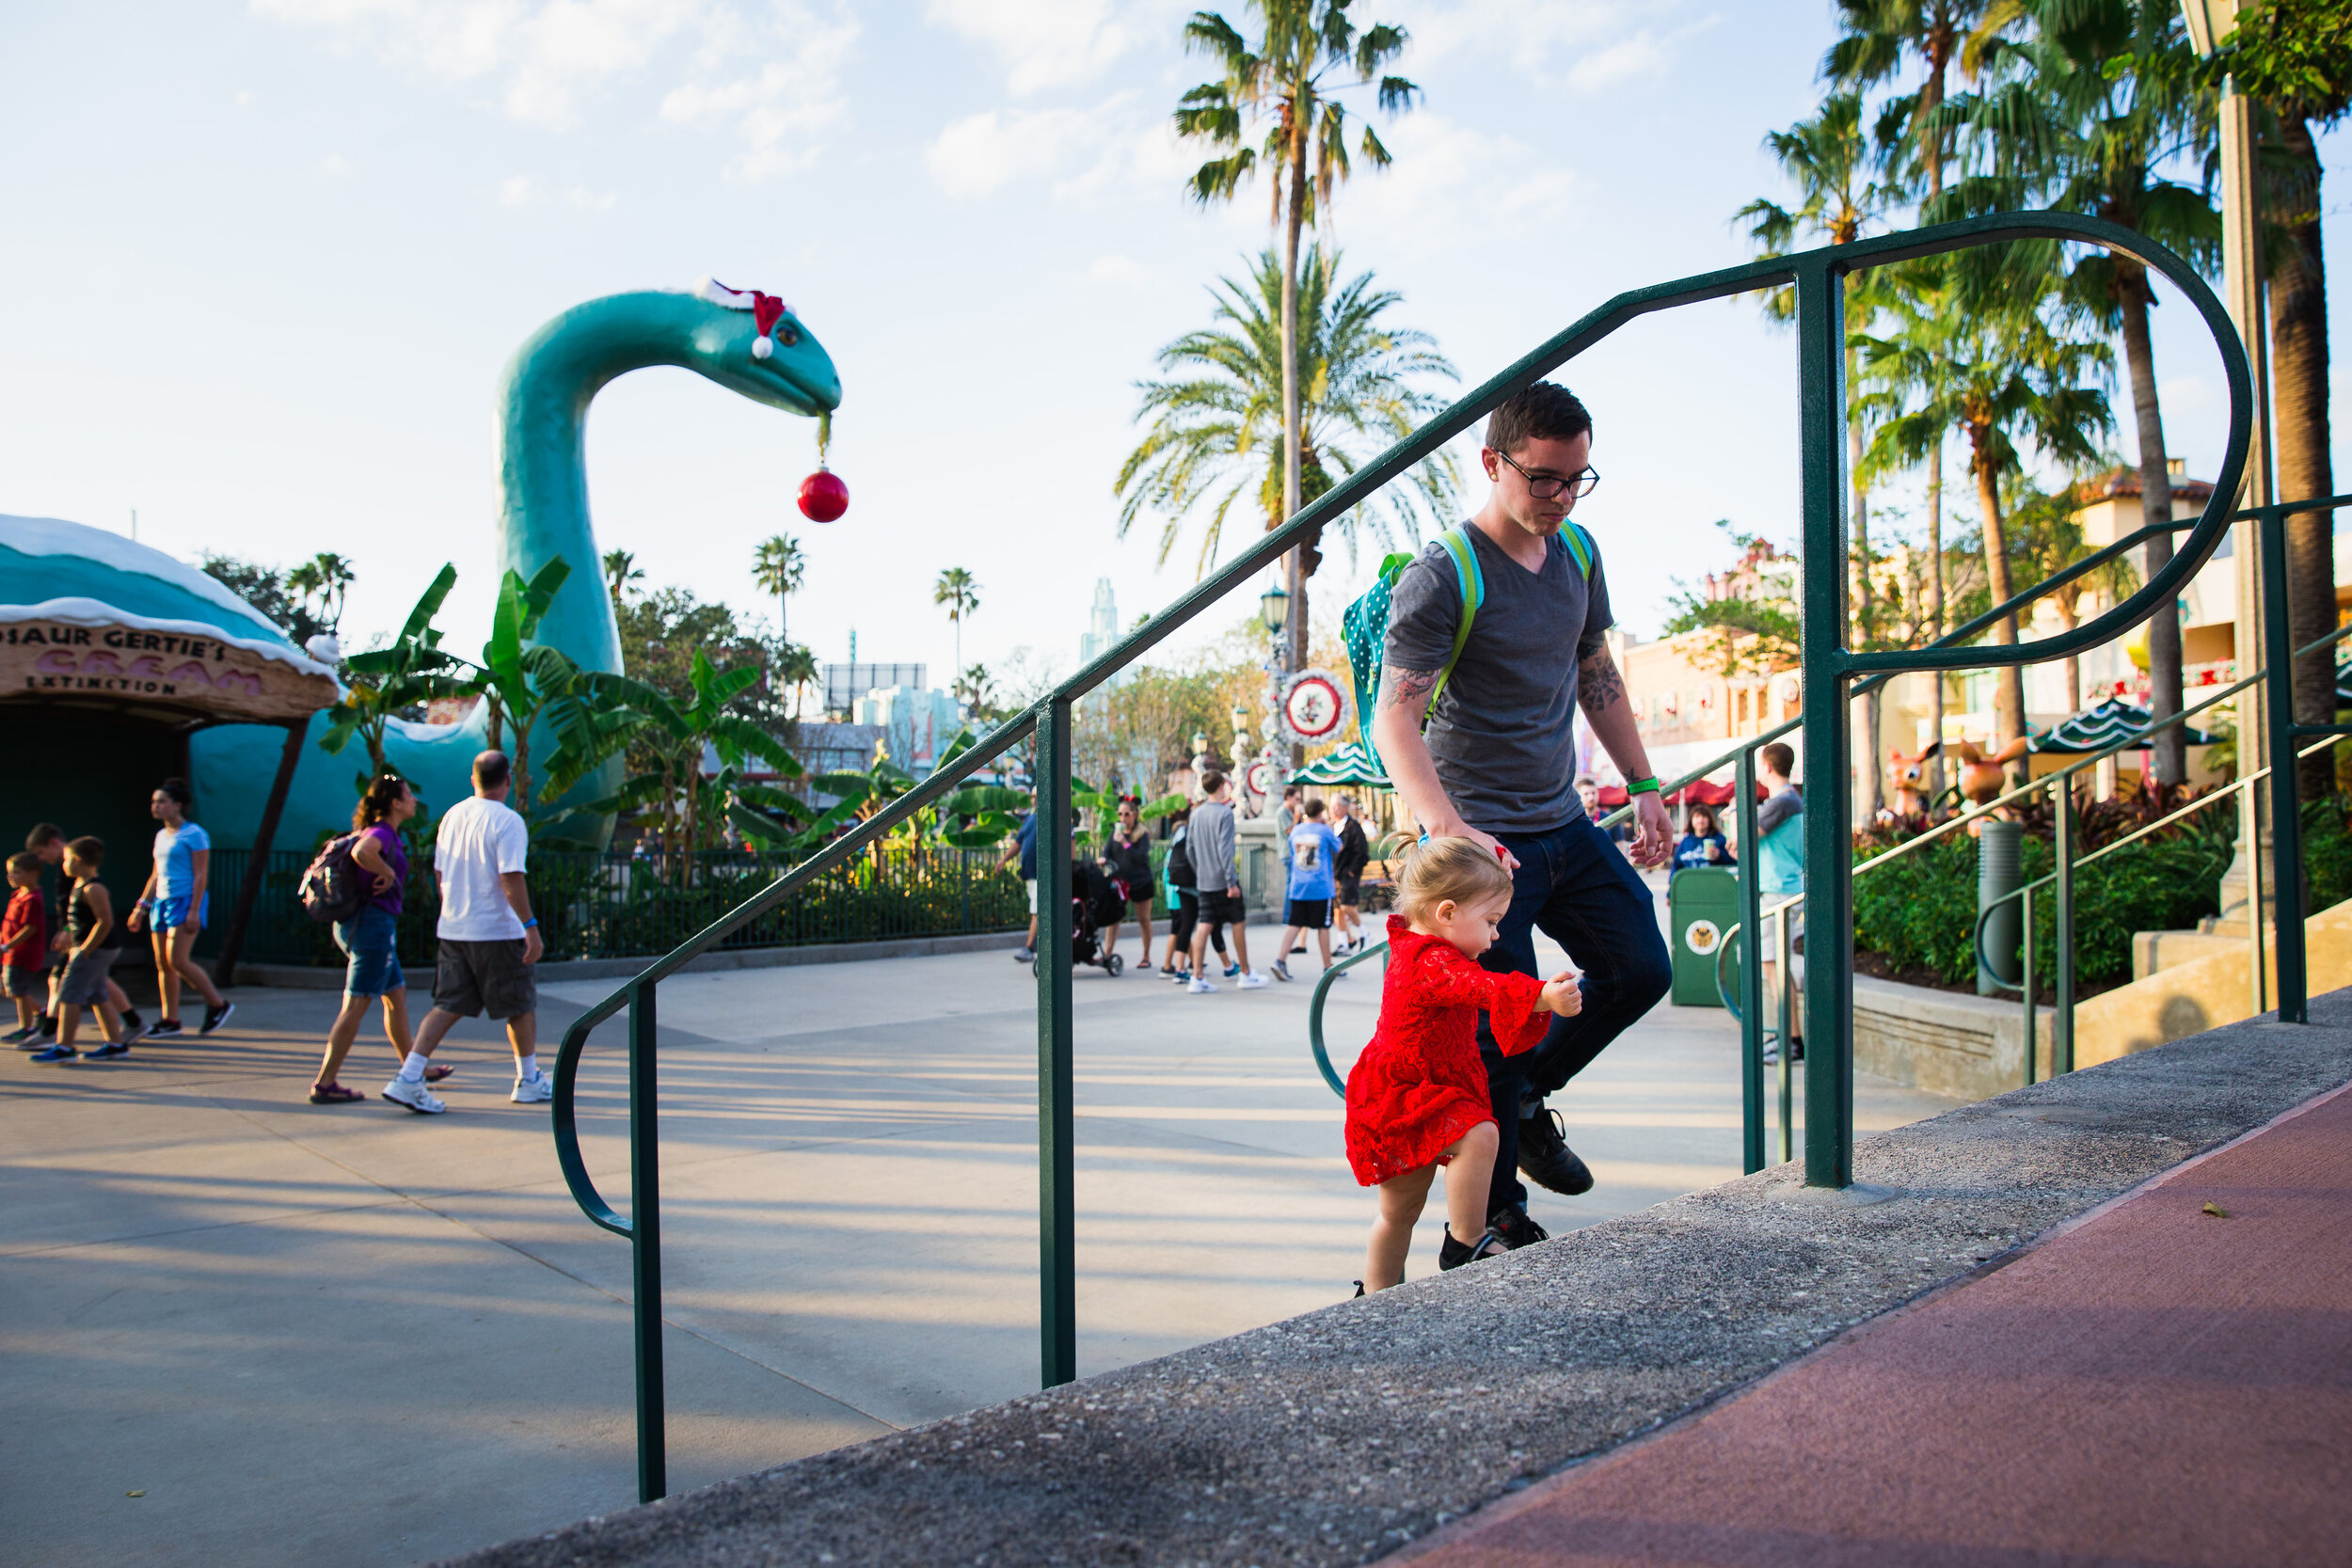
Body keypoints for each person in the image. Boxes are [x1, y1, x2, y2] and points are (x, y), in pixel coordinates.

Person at [1371, 380, 1673, 1250]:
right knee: (1493, 1028)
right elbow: (1396, 715)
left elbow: (1596, 674)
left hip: (1562, 820)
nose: (1562, 495)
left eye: (1578, 477)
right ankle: (1493, 1220)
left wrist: (1645, 783)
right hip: (1479, 838)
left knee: (1639, 966)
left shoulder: (1578, 552)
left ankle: (1535, 1096)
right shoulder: (1445, 574)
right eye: (1543, 478)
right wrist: (1448, 829)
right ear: (1493, 462)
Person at [1345, 838, 1584, 1291]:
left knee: (1401, 1211)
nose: (1496, 935)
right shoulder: (1431, 961)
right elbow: (1482, 988)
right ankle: (1460, 1245)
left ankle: (1398, 1284)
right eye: (1492, 922)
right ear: (1448, 912)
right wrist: (1542, 997)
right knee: (1414, 1197)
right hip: (1407, 1096)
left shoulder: (1422, 944)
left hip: (1425, 1088)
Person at [383, 751, 548, 1114]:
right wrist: (530, 926)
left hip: (455, 927)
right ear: (508, 780)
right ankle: (529, 1079)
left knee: (447, 1004)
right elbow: (510, 877)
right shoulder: (508, 821)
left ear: (473, 780)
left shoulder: (452, 817)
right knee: (520, 1005)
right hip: (497, 930)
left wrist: (455, 908)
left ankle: (409, 1077)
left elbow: (440, 874)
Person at [310, 775, 452, 1104]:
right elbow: (363, 852)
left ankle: (412, 1067)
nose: (414, 800)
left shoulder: (384, 832)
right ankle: (325, 1082)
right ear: (395, 803)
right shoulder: (381, 833)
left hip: (367, 925)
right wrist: (387, 873)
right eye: (408, 795)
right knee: (356, 1004)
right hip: (372, 927)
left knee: (395, 996)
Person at [125, 778, 233, 1037]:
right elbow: (156, 874)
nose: (156, 806)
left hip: (184, 900)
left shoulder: (195, 834)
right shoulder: (161, 835)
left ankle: (218, 1004)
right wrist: (142, 907)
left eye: (161, 801)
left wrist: (194, 910)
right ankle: (170, 1019)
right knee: (163, 964)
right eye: (154, 802)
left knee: (178, 960)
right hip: (161, 902)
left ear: (177, 805)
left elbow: (200, 874)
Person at [23, 824, 141, 1042]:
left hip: (86, 943)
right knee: (98, 989)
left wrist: (81, 943)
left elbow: (102, 919)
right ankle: (125, 1031)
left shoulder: (88, 883)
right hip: (82, 941)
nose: (40, 859)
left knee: (66, 989)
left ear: (56, 844)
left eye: (40, 852)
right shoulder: (75, 876)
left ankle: (59, 1039)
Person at [1184, 771, 1266, 991]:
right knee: (1237, 922)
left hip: (1204, 880)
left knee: (1204, 925)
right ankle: (1245, 973)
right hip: (1223, 880)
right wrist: (1231, 881)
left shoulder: (1197, 814)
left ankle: (1197, 976)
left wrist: (1200, 870)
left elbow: (1189, 848)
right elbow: (1225, 849)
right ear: (1221, 786)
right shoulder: (1225, 814)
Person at [1753, 741, 1804, 1064]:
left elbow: (1744, 836)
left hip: (1778, 892)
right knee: (1772, 966)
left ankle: (1793, 1040)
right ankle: (1787, 1034)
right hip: (1780, 888)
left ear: (1767, 767)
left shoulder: (1782, 801)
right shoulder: (1788, 800)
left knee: (1775, 967)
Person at [1272, 798, 1346, 982]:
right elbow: (1339, 847)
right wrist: (1326, 826)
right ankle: (1327, 966)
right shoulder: (1324, 830)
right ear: (1321, 812)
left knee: (1294, 924)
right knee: (1323, 926)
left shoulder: (1296, 830)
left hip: (1299, 885)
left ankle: (1280, 960)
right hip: (1320, 886)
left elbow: (1292, 850)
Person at [1099, 797, 1155, 969]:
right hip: (1120, 883)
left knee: (1143, 920)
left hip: (1140, 882)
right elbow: (1107, 851)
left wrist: (1125, 843)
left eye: (1127, 814)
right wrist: (1102, 859)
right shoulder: (1115, 832)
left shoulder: (1141, 833)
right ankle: (1107, 954)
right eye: (1120, 814)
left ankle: (1146, 956)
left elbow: (1141, 857)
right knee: (1113, 918)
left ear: (1134, 815)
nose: (1123, 818)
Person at [3, 852, 49, 1043]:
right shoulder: (18, 896)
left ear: (33, 874)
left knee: (18, 991)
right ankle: (42, 1013)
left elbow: (30, 928)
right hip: (10, 954)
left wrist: (7, 946)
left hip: (22, 955)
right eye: (9, 873)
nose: (10, 877)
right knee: (10, 989)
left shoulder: (32, 899)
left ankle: (26, 1028)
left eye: (16, 872)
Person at [999, 794, 1040, 963]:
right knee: (1037, 911)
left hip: (1043, 876)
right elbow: (1018, 843)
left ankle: (1029, 947)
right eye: (1033, 796)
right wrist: (1003, 860)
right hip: (1031, 876)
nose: (1034, 799)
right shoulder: (1031, 820)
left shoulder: (1053, 816)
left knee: (1038, 912)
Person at [1331, 795, 1371, 953]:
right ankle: (1345, 942)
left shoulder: (1353, 827)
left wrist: (1353, 871)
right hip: (1336, 874)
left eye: (1336, 807)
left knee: (1347, 906)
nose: (1333, 810)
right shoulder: (1333, 826)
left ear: (1344, 808)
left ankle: (1365, 935)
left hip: (1348, 873)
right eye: (1332, 807)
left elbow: (1362, 851)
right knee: (1337, 910)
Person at [1575, 777, 1636, 851]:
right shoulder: (1574, 821)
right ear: (1578, 796)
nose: (1591, 797)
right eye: (1586, 794)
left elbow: (1620, 848)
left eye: (1593, 793)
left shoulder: (1611, 819)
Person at [1672, 804, 1733, 872]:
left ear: (1709, 820)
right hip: (1690, 880)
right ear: (1691, 820)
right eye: (1697, 817)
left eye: (1704, 817)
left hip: (1713, 879)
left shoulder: (1720, 839)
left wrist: (1719, 855)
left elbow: (1734, 861)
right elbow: (1676, 864)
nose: (1700, 820)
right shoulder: (1686, 841)